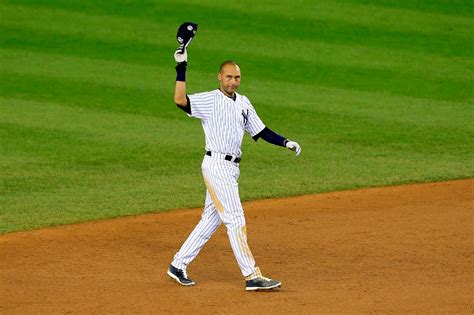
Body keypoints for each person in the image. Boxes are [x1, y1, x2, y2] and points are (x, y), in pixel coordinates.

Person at [167, 47, 301, 291]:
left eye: (237, 77)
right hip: (216, 165)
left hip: (231, 169)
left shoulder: (243, 103)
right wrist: (181, 67)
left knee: (211, 219)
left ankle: (178, 264)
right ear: (220, 77)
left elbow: (261, 131)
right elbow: (180, 100)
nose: (233, 82)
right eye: (229, 77)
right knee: (235, 219)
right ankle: (252, 276)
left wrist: (285, 142)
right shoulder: (210, 99)